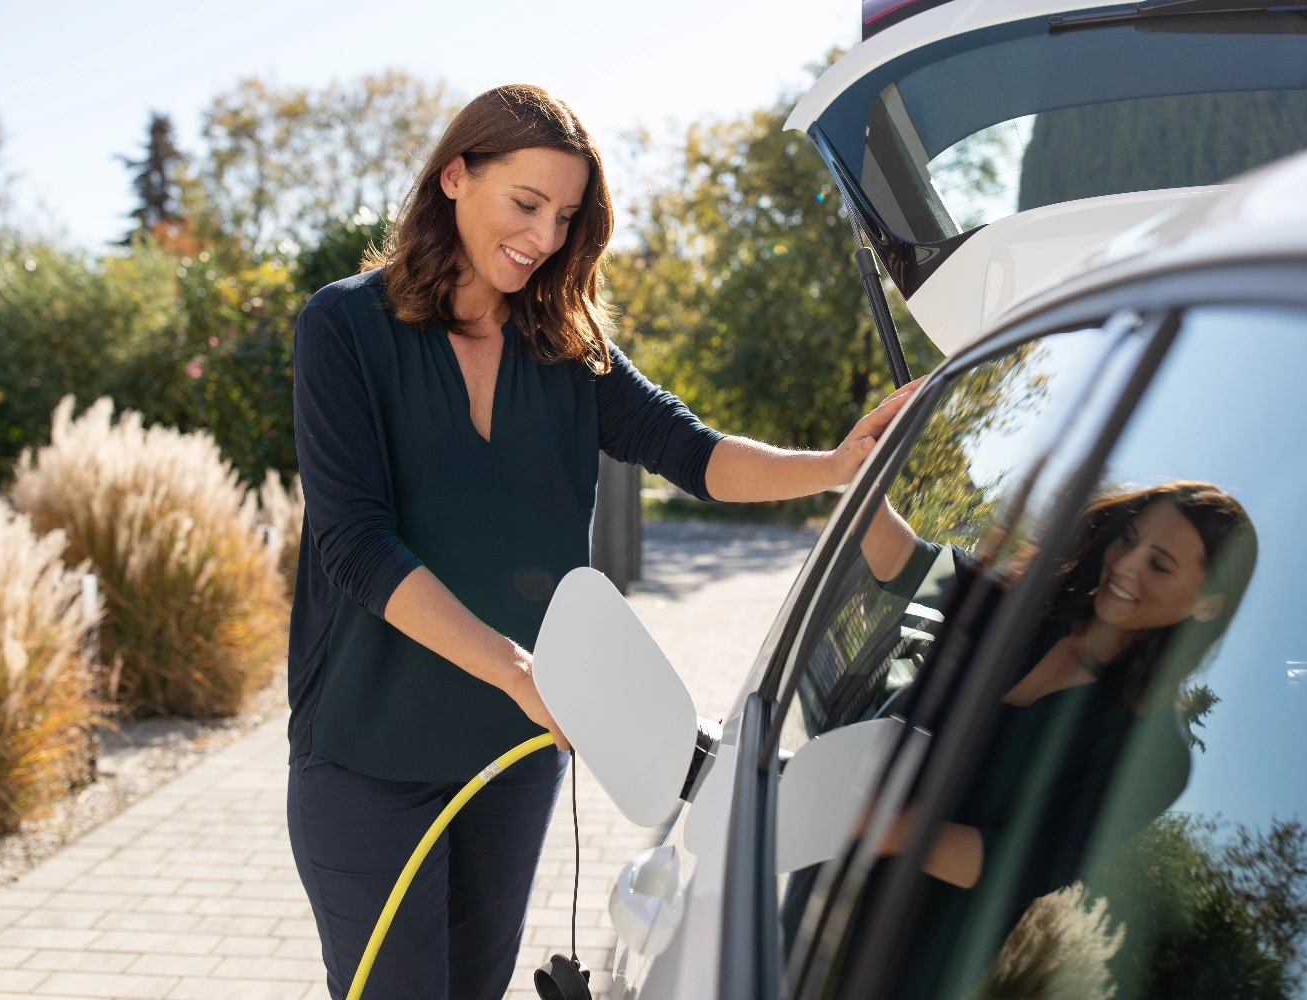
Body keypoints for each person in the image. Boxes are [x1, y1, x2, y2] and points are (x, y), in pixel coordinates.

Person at [285, 84, 919, 1000]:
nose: (544, 237)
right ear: (455, 176)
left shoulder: (565, 345)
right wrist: (517, 671)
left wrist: (833, 466)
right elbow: (354, 543)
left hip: (512, 757)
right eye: (527, 204)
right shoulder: (343, 327)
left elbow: (693, 454)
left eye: (566, 216)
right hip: (367, 757)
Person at [855, 480, 1259, 998]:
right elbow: (910, 566)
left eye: (1159, 564)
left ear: (1206, 605)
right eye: (1128, 539)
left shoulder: (1155, 756)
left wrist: (884, 828)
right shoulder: (1026, 612)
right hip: (827, 861)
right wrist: (861, 474)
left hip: (901, 959)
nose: (1127, 565)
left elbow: (1019, 866)